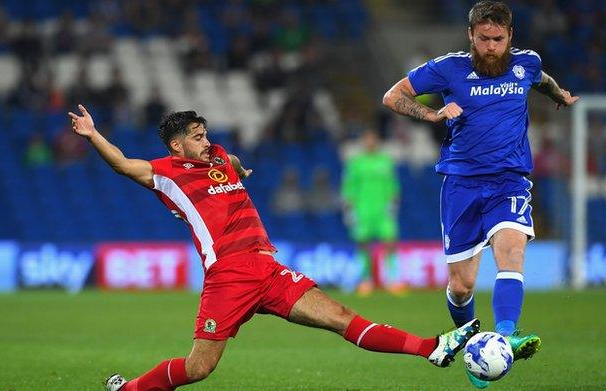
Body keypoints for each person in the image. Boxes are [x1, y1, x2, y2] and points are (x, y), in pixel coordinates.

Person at [68, 104, 480, 391]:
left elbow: (231, 170)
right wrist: (93, 135)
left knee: (340, 315)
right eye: (196, 137)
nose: (206, 140)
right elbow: (123, 164)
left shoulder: (220, 158)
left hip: (267, 270)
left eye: (206, 133)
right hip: (228, 277)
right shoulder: (166, 172)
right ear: (176, 146)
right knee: (199, 368)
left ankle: (432, 348)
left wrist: (238, 169)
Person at [381, 1, 579, 388]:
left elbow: (541, 79)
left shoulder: (527, 63)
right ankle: (474, 346)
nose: (491, 47)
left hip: (509, 179)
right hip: (461, 183)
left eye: (498, 40)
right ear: (471, 35)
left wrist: (559, 94)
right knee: (462, 286)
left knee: (512, 252)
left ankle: (506, 336)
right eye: (484, 39)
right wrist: (432, 115)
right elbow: (393, 96)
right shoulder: (448, 68)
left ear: (510, 37)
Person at [341, 129, 401, 295]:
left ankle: (392, 279)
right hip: (362, 211)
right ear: (363, 141)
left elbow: (392, 184)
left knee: (390, 242)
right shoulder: (356, 163)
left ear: (377, 141)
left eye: (372, 139)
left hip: (383, 211)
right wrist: (349, 210)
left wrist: (393, 203)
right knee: (363, 245)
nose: (370, 142)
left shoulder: (386, 161)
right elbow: (349, 187)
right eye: (367, 139)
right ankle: (365, 280)